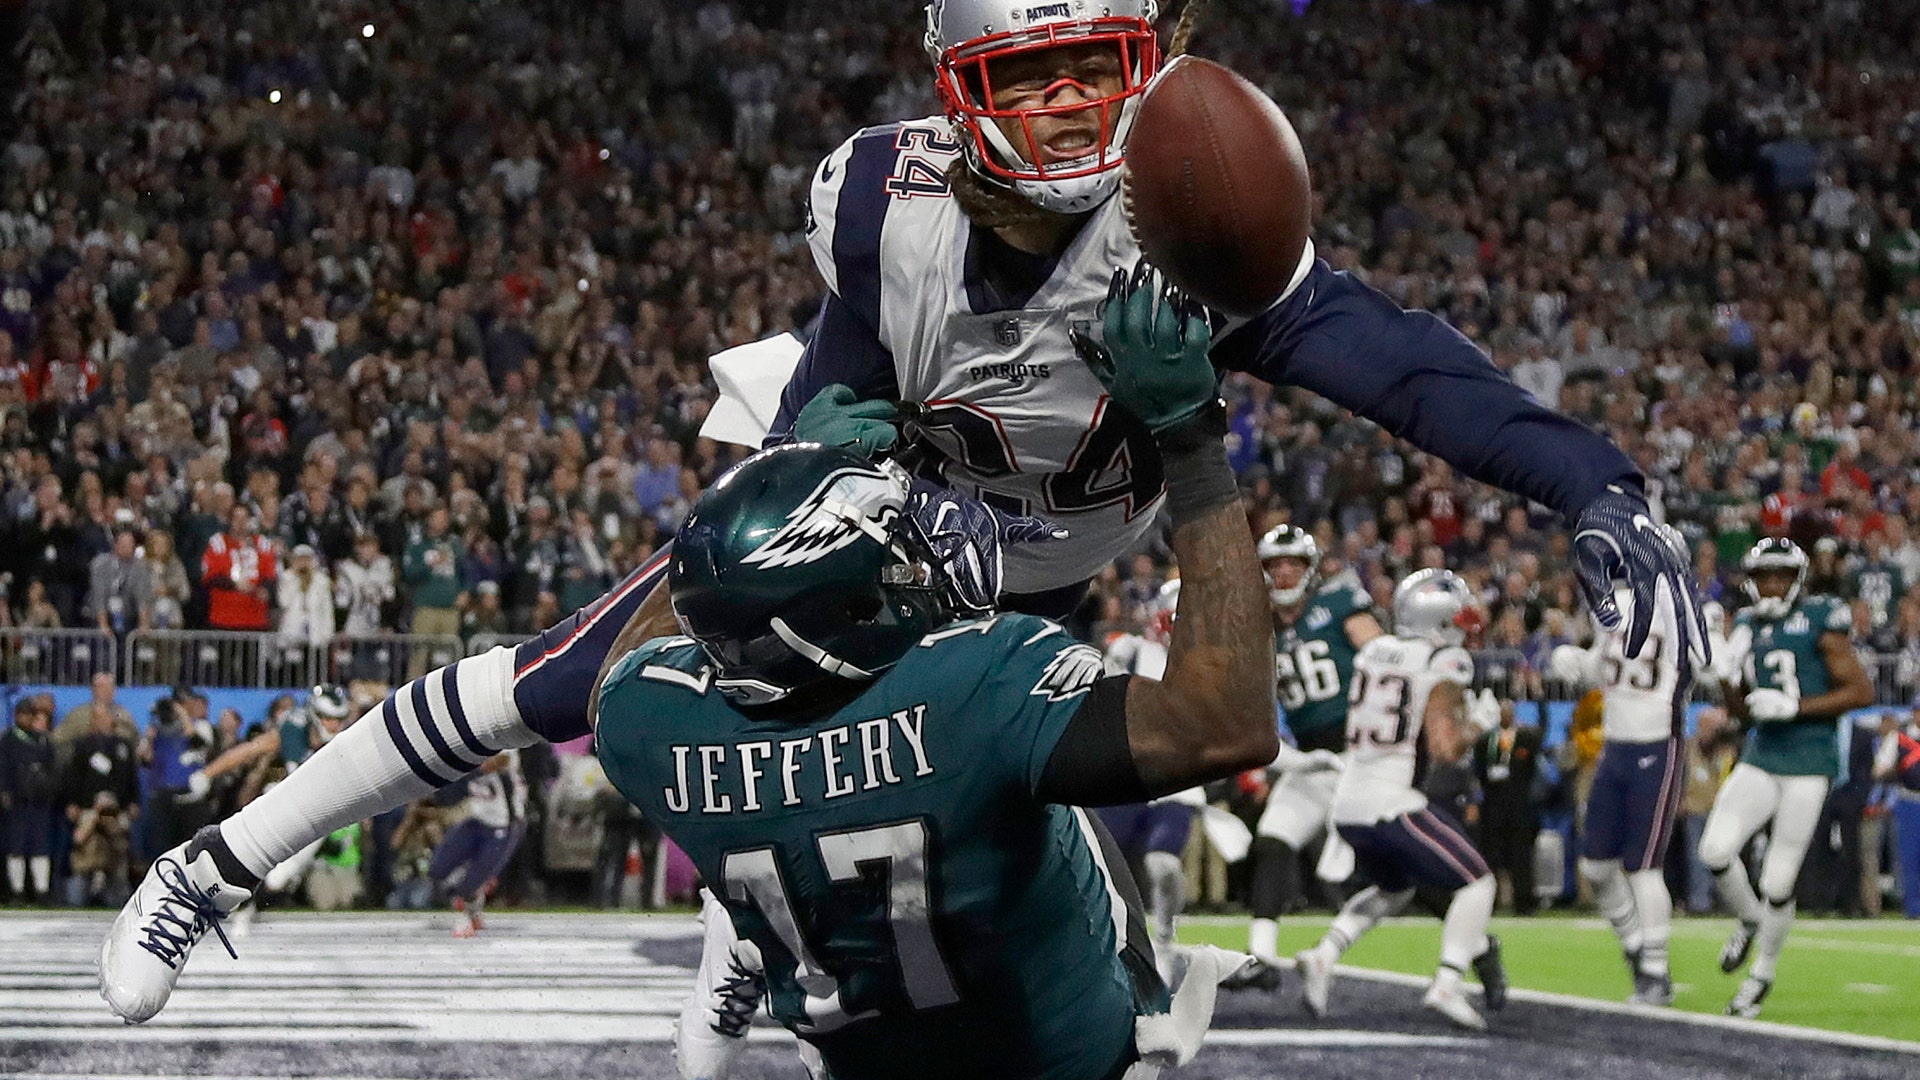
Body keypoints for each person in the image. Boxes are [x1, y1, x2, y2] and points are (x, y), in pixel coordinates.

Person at [99, 0, 1705, 1032]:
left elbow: (1406, 369)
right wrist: (847, 497)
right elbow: (827, 417)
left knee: (1028, 877)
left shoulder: (1194, 226)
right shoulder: (889, 206)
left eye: (1103, 65)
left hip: (1061, 563)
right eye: (1035, 72)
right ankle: (216, 866)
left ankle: (769, 924)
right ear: (958, 92)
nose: (1079, 109)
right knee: (569, 681)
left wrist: (1592, 484)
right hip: (898, 522)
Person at [599, 323, 1273, 1079]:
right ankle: (1145, 1005)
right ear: (846, 615)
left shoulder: (652, 724)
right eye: (897, 547)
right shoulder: (978, 687)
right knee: (1053, 786)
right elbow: (1229, 724)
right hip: (1061, 1064)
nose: (920, 554)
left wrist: (770, 491)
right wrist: (1191, 446)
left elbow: (654, 643)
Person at [1294, 569, 1506, 1031]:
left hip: (1348, 803)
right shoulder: (1442, 658)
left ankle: (1324, 956)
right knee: (1477, 882)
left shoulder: (1374, 651)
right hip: (1390, 801)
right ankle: (1447, 983)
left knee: (1395, 889)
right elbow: (1447, 746)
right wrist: (1480, 723)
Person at [1701, 538, 1874, 1017]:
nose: (1771, 585)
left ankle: (1762, 975)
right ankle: (1749, 920)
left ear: (1796, 580)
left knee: (1778, 881)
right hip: (1762, 754)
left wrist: (1796, 707)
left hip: (1809, 764)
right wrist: (1725, 675)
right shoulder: (1750, 624)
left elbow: (1862, 690)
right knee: (1714, 851)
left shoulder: (1821, 619)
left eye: (1780, 575)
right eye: (1763, 576)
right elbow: (1743, 712)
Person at [1235, 525, 1380, 986]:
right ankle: (1261, 957)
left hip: (1361, 754)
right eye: (1275, 566)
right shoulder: (1259, 631)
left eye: (1292, 564)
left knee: (1394, 860)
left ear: (1310, 569)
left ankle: (1473, 943)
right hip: (1313, 759)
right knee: (1274, 840)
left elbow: (1384, 654)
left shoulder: (1337, 606)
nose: (1282, 574)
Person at [1550, 577, 1692, 1006]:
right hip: (1615, 746)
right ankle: (1634, 945)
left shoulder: (1678, 606)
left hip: (1656, 743)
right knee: (1595, 868)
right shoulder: (1621, 604)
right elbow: (1608, 668)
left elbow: (1703, 662)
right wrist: (1576, 661)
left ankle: (1655, 969)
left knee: (1643, 867)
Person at [428, 750, 526, 938]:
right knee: (437, 868)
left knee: (469, 885)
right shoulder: (463, 747)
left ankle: (470, 911)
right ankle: (473, 893)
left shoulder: (501, 744)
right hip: (478, 820)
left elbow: (498, 761)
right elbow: (446, 798)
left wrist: (462, 764)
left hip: (504, 826)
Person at [1471, 698, 1544, 917]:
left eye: (1509, 712)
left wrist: (1538, 699)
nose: (1506, 716)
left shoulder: (1526, 739)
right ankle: (1489, 903)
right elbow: (1478, 770)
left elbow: (1543, 733)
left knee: (1521, 857)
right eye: (1502, 712)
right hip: (1493, 807)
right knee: (1490, 857)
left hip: (1519, 808)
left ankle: (1524, 903)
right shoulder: (1486, 740)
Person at [1, 698, 57, 902]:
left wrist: (48, 789)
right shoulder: (8, 740)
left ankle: (41, 891)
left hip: (39, 801)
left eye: (29, 714)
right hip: (17, 801)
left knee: (40, 847)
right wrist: (5, 791)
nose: (26, 718)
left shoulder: (42, 741)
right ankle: (17, 891)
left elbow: (52, 769)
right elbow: (4, 768)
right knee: (16, 847)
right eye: (23, 714)